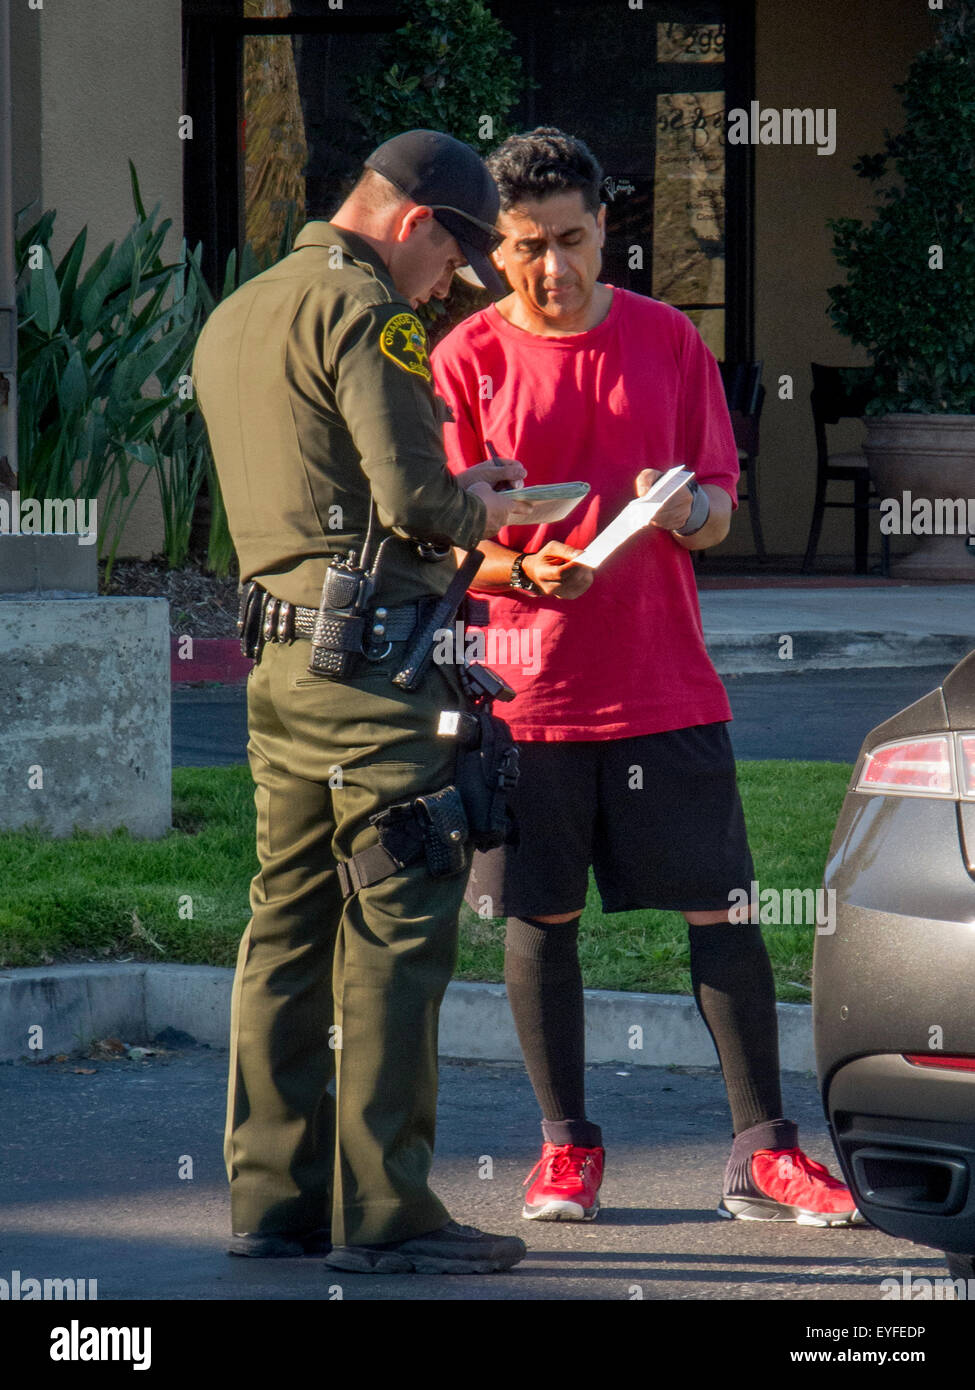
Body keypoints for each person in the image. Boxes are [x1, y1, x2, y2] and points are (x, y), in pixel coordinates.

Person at [430, 127, 860, 1228]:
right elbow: (437, 540)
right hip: (525, 695)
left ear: (606, 227)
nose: (553, 269)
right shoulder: (464, 359)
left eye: (572, 240)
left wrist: (687, 511)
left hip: (665, 686)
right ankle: (566, 1147)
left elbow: (718, 506)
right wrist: (521, 563)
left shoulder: (670, 342)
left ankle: (765, 1151)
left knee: (724, 913)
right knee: (541, 918)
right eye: (526, 247)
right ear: (495, 250)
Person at [192, 129, 534, 1275]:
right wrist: (484, 500)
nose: (447, 290)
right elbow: (415, 497)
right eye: (451, 263)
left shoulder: (239, 310)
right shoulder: (366, 309)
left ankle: (269, 1197)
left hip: (280, 671)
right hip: (379, 676)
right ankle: (385, 1212)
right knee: (398, 918)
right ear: (414, 223)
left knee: (284, 920)